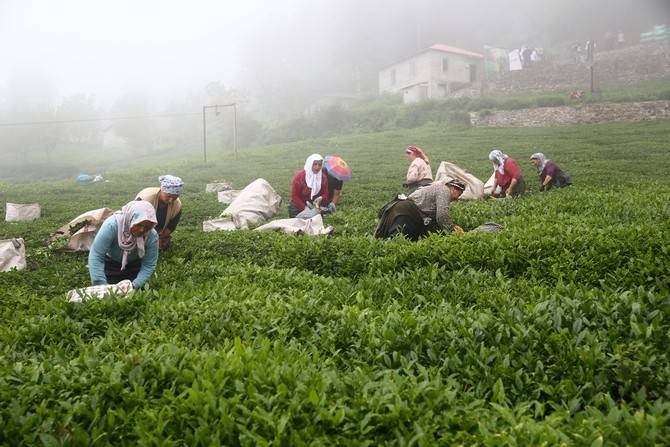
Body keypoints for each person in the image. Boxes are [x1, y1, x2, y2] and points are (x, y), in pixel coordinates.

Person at [88, 201, 159, 289]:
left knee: (139, 291)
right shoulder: (111, 226)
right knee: (109, 290)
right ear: (131, 219)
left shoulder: (151, 235)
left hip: (135, 266)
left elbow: (149, 264)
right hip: (111, 264)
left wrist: (135, 285)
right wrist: (99, 283)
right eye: (139, 224)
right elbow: (96, 255)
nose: (142, 230)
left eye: (147, 226)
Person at [375, 179, 466, 241]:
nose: (458, 198)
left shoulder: (438, 188)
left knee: (396, 240)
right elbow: (442, 215)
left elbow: (434, 218)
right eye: (459, 194)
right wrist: (452, 228)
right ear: (454, 189)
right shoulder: (445, 190)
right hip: (406, 212)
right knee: (398, 243)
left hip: (404, 210)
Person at [136, 175, 183, 250]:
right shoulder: (145, 199)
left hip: (159, 231)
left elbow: (171, 226)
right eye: (168, 196)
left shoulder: (177, 205)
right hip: (139, 230)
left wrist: (158, 237)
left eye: (175, 197)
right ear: (162, 190)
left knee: (158, 247)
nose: (171, 200)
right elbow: (133, 220)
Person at [289, 153, 330, 218]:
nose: (317, 167)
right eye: (315, 164)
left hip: (314, 206)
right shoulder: (300, 177)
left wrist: (321, 198)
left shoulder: (323, 178)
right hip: (299, 205)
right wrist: (304, 208)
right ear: (310, 164)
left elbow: (325, 193)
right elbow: (295, 196)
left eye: (319, 165)